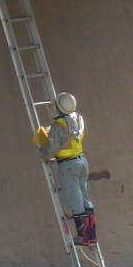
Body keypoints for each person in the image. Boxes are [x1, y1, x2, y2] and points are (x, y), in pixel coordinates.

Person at [34, 91, 96, 247]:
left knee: (75, 201)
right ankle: (92, 234)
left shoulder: (58, 125)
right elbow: (69, 137)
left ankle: (83, 237)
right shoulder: (77, 119)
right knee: (85, 198)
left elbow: (51, 149)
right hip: (82, 161)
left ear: (58, 106)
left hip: (68, 165)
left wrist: (42, 149)